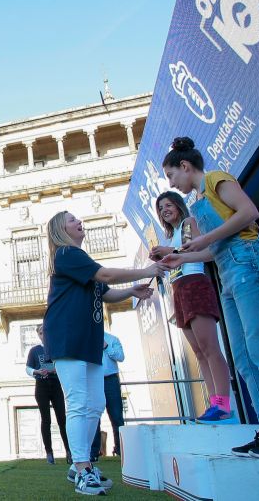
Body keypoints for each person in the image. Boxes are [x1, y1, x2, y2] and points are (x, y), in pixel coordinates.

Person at [160, 137, 259, 460]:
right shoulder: (201, 198)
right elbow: (213, 248)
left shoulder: (217, 179)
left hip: (250, 261)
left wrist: (204, 238)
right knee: (244, 358)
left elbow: (249, 212)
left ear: (185, 167)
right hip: (226, 272)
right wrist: (179, 255)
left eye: (171, 176)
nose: (172, 183)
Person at [44, 210, 162, 495]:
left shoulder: (79, 260)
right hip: (68, 335)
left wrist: (132, 291)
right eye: (72, 220)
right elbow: (105, 274)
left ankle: (78, 468)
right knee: (79, 402)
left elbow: (105, 291)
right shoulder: (65, 254)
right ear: (61, 229)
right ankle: (82, 466)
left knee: (96, 403)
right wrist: (147, 271)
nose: (78, 221)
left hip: (88, 338)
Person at [150, 190, 233, 423]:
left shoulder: (189, 223)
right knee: (198, 352)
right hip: (178, 290)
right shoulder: (172, 235)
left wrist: (168, 252)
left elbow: (198, 250)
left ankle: (223, 405)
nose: (165, 210)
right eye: (161, 208)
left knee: (210, 348)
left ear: (178, 205)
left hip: (196, 284)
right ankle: (213, 403)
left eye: (168, 205)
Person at [26, 325, 72, 465]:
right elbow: (28, 368)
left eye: (45, 332)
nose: (43, 335)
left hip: (56, 384)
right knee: (46, 420)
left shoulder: (56, 346)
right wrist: (37, 372)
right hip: (41, 385)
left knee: (62, 419)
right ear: (38, 335)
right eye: (40, 333)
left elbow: (64, 365)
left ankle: (69, 452)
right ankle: (49, 452)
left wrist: (56, 371)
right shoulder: (34, 351)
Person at [90, 332, 126, 460]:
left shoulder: (112, 339)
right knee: (94, 417)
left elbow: (121, 357)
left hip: (111, 380)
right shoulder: (86, 337)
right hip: (93, 380)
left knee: (116, 416)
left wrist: (106, 346)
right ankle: (94, 452)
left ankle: (120, 449)